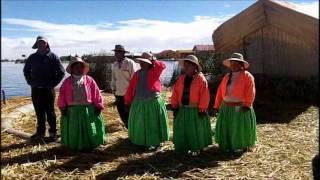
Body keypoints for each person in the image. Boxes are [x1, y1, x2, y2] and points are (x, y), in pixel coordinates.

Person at [58, 57, 106, 151]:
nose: (78, 69)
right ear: (72, 69)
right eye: (76, 67)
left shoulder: (89, 80)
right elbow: (62, 95)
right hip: (72, 111)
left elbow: (96, 93)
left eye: (80, 67)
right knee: (74, 130)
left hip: (87, 110)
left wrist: (98, 106)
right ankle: (74, 145)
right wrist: (63, 108)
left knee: (90, 128)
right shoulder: (67, 81)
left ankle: (91, 144)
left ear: (83, 68)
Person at [124, 52, 169, 150]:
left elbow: (162, 66)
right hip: (139, 103)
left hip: (152, 102)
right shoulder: (137, 74)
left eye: (144, 62)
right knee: (140, 123)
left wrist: (153, 60)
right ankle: (140, 142)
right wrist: (127, 102)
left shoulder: (154, 71)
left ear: (149, 63)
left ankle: (154, 142)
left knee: (153, 123)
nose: (141, 63)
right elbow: (131, 88)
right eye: (140, 61)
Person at [23, 36, 65, 141]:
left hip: (48, 90)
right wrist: (30, 82)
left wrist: (53, 84)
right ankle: (40, 132)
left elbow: (61, 72)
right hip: (36, 89)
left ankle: (53, 132)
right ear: (36, 44)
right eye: (39, 43)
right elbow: (26, 71)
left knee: (50, 111)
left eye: (43, 43)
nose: (41, 44)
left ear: (47, 44)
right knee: (39, 111)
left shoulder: (53, 57)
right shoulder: (32, 57)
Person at [213, 52, 256, 152]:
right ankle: (228, 145)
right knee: (228, 127)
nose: (233, 65)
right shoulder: (227, 76)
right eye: (232, 63)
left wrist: (248, 104)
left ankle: (243, 145)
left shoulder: (247, 76)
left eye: (236, 63)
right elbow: (220, 91)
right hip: (226, 107)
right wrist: (217, 105)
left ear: (241, 65)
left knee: (240, 127)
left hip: (241, 107)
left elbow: (251, 91)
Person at [171, 55, 212, 156]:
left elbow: (204, 95)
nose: (186, 67)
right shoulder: (181, 78)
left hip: (195, 110)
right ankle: (183, 148)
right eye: (185, 65)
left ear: (195, 67)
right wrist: (175, 105)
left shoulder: (201, 79)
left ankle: (196, 148)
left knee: (195, 130)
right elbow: (175, 92)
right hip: (183, 109)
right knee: (181, 130)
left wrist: (202, 109)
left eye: (189, 65)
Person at [111, 45, 139, 129]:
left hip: (129, 94)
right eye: (116, 52)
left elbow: (135, 78)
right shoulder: (114, 65)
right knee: (122, 113)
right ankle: (128, 129)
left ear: (123, 53)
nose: (116, 54)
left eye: (119, 52)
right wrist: (113, 89)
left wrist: (134, 92)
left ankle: (134, 130)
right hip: (118, 93)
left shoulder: (130, 63)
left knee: (130, 113)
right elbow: (113, 78)